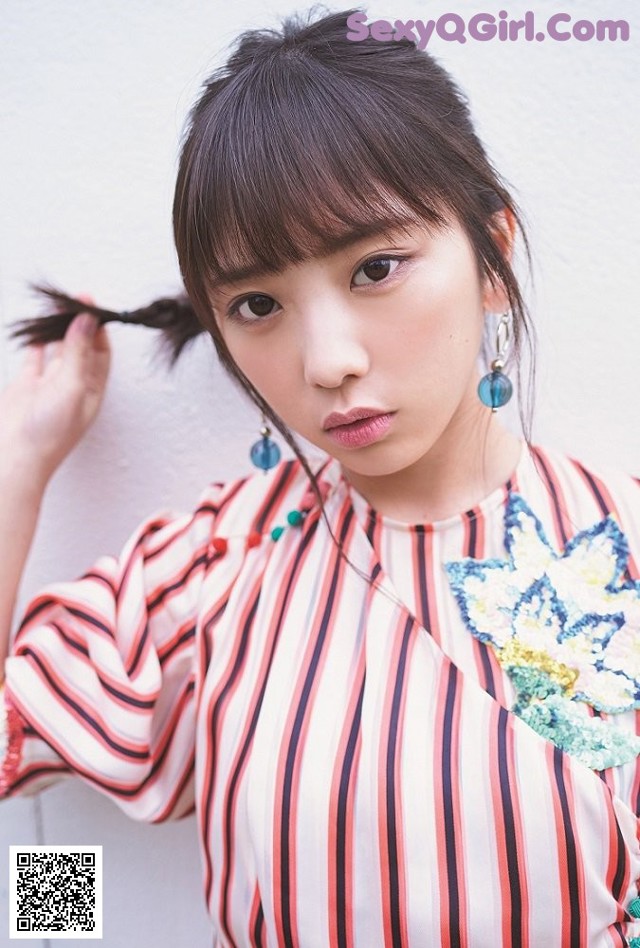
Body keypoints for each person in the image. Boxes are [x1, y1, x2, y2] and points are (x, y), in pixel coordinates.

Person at [1, 7, 640, 945]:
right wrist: (21, 462)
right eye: (257, 304)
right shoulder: (215, 569)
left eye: (376, 267)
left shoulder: (622, 546)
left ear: (492, 254)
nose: (327, 360)